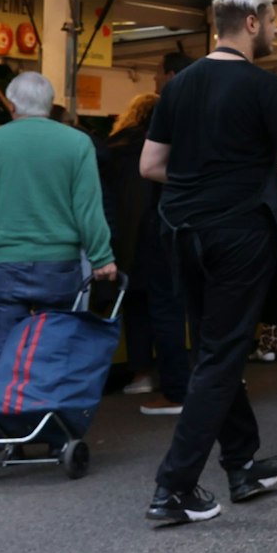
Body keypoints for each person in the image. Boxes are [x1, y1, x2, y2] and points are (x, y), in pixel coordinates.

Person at [141, 0, 277, 525]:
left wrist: (201, 179)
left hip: (182, 231)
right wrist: (251, 177)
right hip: (240, 232)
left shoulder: (178, 85)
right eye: (273, 20)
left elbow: (150, 166)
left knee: (215, 348)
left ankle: (241, 463)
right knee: (221, 354)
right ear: (252, 23)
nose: (276, 30)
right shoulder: (265, 87)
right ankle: (173, 487)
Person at [0, 71, 117, 399]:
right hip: (59, 263)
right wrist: (101, 256)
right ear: (49, 104)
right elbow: (88, 207)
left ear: (12, 104)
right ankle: (49, 418)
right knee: (55, 344)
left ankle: (2, 420)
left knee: (2, 346)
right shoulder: (77, 142)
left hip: (5, 262)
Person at [99, 93, 190, 415]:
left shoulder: (115, 148)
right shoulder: (177, 145)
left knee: (135, 306)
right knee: (170, 309)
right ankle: (178, 384)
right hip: (167, 230)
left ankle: (142, 374)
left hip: (127, 236)